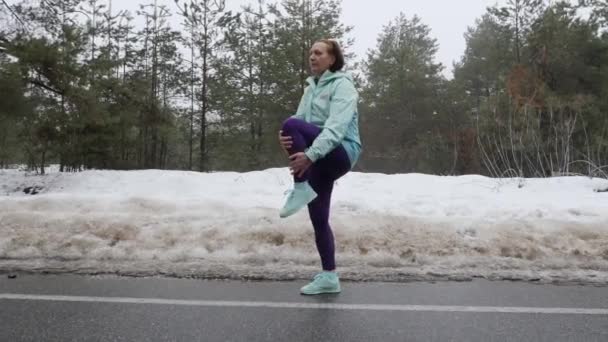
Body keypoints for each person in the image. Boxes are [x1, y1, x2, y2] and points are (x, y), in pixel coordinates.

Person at [278, 39, 362, 295]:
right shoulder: (310, 87)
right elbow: (300, 122)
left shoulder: (343, 86)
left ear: (332, 59)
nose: (312, 57)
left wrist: (310, 155)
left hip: (341, 151)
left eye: (318, 53)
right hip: (319, 156)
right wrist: (284, 139)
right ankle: (329, 276)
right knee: (319, 218)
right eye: (310, 53)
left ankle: (300, 186)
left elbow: (336, 130)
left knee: (290, 124)